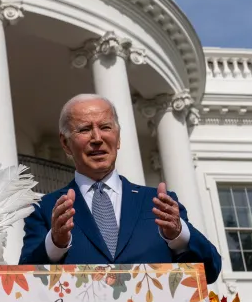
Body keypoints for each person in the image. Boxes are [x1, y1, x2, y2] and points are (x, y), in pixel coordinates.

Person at [19, 94, 221, 283]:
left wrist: (178, 235)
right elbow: (24, 283)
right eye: (84, 129)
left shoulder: (159, 203)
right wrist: (55, 244)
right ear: (65, 143)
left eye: (105, 127)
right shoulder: (45, 209)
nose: (97, 138)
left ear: (118, 137)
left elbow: (210, 271)